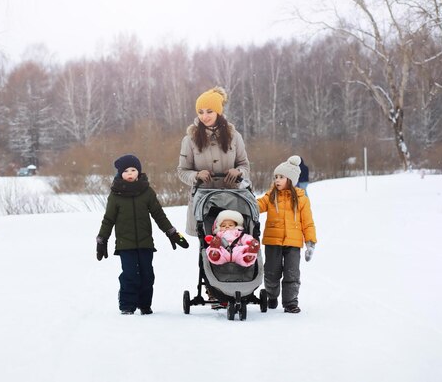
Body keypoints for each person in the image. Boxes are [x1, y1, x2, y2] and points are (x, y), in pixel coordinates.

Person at [96, 154, 189, 315]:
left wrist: (172, 233)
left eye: (133, 170)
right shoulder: (115, 195)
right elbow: (108, 219)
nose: (130, 173)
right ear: (120, 174)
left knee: (147, 275)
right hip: (125, 245)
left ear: (138, 171)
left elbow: (158, 214)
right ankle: (127, 305)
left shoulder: (146, 192)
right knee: (130, 275)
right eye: (126, 171)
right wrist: (102, 240)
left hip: (146, 243)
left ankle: (145, 304)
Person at [177, 86, 251, 236]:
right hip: (204, 203)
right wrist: (196, 176)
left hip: (232, 199)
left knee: (238, 244)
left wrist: (238, 172)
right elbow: (182, 171)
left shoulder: (234, 136)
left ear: (218, 111)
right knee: (209, 248)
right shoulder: (189, 140)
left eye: (209, 111)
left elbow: (244, 165)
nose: (205, 116)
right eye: (200, 112)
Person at [257, 155, 317, 314]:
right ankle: (271, 295)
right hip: (273, 241)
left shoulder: (301, 199)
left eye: (281, 177)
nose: (277, 180)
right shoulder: (271, 195)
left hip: (293, 243)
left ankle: (290, 302)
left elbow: (308, 222)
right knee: (271, 272)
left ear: (290, 179)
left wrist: (310, 242)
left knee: (292, 273)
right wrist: (247, 194)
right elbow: (257, 206)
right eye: (275, 177)